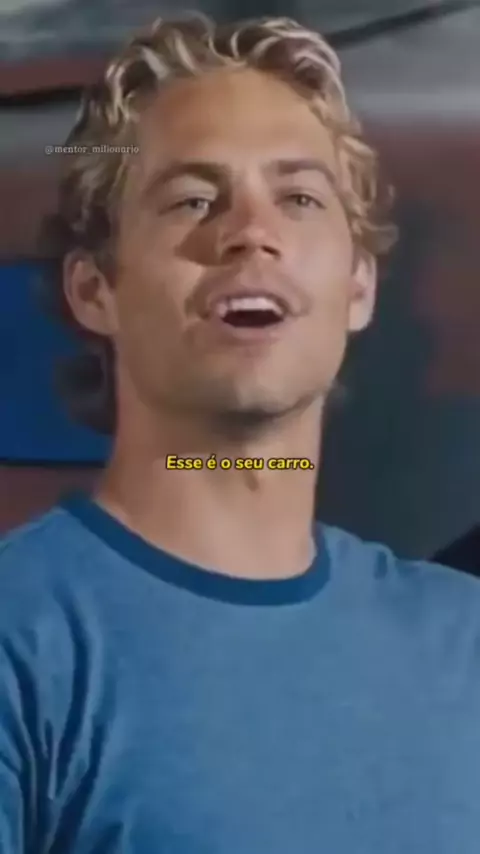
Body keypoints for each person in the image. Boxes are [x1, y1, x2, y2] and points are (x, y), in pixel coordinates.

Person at [1, 14, 479, 853]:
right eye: (193, 199)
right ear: (94, 290)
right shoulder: (24, 636)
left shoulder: (463, 639)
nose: (251, 232)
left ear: (359, 286)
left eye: (299, 199)